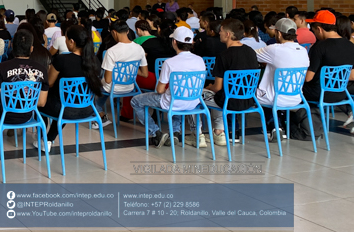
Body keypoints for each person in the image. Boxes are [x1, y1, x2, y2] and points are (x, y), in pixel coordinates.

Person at [131, 27, 206, 148]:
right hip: (194, 102)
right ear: (191, 42)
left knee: (135, 101)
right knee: (175, 96)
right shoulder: (200, 60)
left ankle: (156, 133)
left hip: (173, 102)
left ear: (174, 42)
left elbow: (159, 90)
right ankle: (175, 132)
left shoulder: (169, 63)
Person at [0, 29, 48, 161]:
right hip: (28, 115)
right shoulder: (42, 69)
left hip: (3, 116)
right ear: (31, 49)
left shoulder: (1, 68)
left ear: (11, 45)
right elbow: (41, 103)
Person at [37, 25, 101, 151]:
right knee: (67, 100)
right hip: (87, 109)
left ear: (72, 41)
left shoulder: (62, 60)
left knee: (40, 102)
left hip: (64, 109)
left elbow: (49, 82)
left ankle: (44, 139)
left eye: (66, 39)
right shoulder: (95, 61)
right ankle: (49, 139)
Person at [202, 18, 260, 146]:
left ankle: (199, 134)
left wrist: (209, 87)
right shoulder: (250, 52)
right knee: (219, 94)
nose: (219, 33)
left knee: (198, 95)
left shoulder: (223, 56)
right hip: (249, 100)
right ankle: (219, 131)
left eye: (221, 31)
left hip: (229, 101)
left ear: (228, 34)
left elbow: (217, 87)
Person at [254, 18, 310, 141]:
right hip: (296, 98)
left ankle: (274, 127)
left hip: (275, 98)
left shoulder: (274, 49)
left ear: (278, 33)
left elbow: (251, 55)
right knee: (272, 91)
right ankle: (279, 126)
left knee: (255, 92)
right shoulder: (303, 51)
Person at [98, 20, 149, 124]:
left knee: (95, 91)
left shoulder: (112, 51)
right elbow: (145, 74)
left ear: (114, 32)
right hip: (130, 87)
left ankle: (101, 115)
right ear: (127, 31)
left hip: (113, 88)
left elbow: (107, 80)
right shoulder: (139, 49)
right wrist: (130, 69)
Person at [303, 10, 354, 105]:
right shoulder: (351, 45)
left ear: (319, 29)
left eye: (314, 31)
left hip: (319, 93)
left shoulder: (319, 46)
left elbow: (308, 78)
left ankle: (286, 117)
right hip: (341, 93)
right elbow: (352, 75)